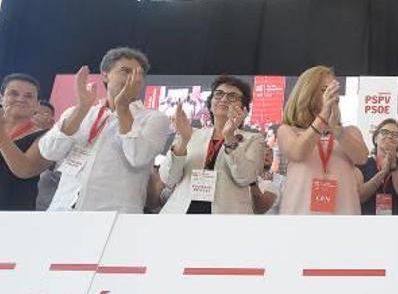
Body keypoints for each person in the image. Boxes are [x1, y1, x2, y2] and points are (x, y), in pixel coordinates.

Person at [38, 48, 169, 213]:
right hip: (62, 210)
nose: (133, 78)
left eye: (139, 74)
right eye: (125, 71)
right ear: (105, 75)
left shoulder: (154, 119)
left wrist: (122, 107)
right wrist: (81, 109)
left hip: (114, 216)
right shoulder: (80, 111)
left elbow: (138, 157)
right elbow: (49, 152)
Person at [159, 75, 263, 214]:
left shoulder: (253, 139)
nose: (224, 99)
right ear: (210, 102)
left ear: (243, 108)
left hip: (227, 218)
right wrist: (183, 139)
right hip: (182, 214)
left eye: (232, 96)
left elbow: (245, 178)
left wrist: (229, 137)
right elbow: (168, 178)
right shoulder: (191, 134)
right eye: (219, 94)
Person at [277, 66, 368, 215]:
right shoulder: (288, 130)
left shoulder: (350, 132)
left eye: (334, 91)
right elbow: (297, 153)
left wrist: (336, 129)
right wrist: (323, 116)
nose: (332, 96)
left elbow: (362, 157)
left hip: (342, 219)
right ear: (307, 93)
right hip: (299, 219)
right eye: (325, 90)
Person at [0, 73, 53, 210]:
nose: (21, 99)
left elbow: (25, 169)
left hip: (15, 216)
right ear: (1, 98)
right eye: (13, 93)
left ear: (37, 105)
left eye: (29, 96)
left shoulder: (45, 136)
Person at [356, 118, 398, 215]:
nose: (389, 136)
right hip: (368, 223)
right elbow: (358, 197)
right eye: (385, 132)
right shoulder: (362, 164)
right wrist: (382, 173)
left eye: (395, 134)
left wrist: (394, 168)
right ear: (376, 139)